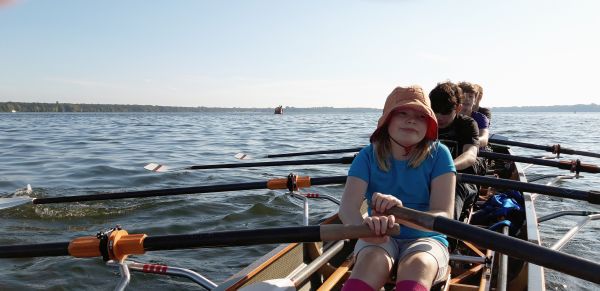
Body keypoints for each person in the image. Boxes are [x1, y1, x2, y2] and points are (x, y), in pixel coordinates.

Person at [339, 85, 456, 291]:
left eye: (420, 116)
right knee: (371, 260)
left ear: (428, 124)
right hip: (379, 237)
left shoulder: (440, 154)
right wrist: (365, 231)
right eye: (402, 113)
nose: (411, 120)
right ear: (387, 120)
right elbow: (347, 209)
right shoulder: (367, 155)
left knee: (418, 263)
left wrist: (398, 214)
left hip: (427, 238)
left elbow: (444, 215)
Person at [429, 81, 481, 221]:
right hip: (428, 176)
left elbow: (470, 155)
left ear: (458, 108)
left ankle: (447, 234)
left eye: (445, 111)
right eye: (435, 110)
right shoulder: (424, 124)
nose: (439, 116)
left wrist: (446, 168)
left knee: (453, 188)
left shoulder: (467, 124)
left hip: (462, 179)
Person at [458, 82, 490, 148]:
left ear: (475, 100)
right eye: (463, 96)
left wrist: (468, 143)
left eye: (470, 96)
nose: (467, 99)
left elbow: (484, 139)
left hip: (476, 153)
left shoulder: (481, 118)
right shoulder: (449, 116)